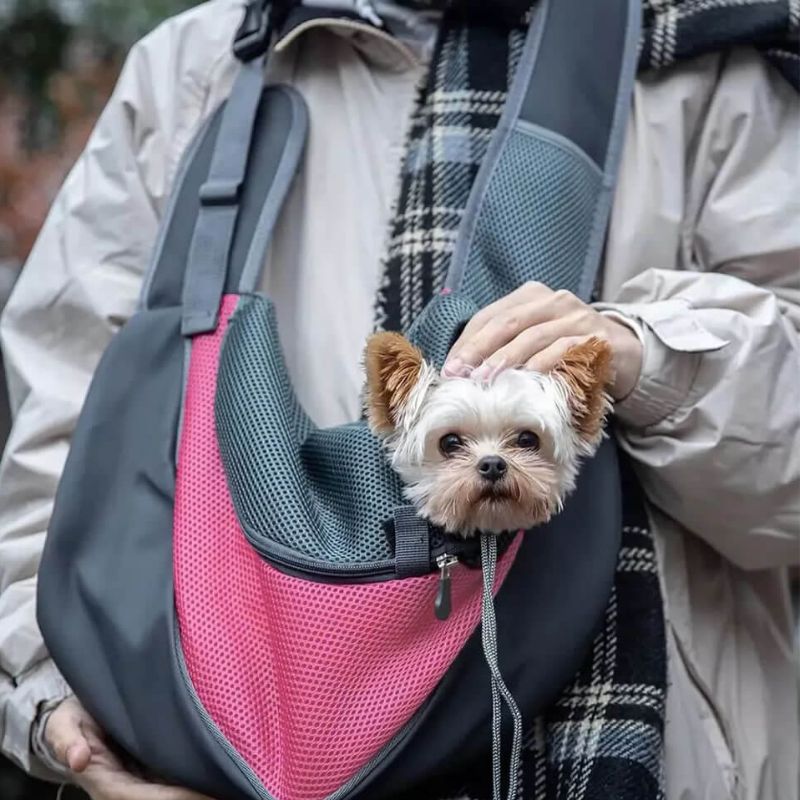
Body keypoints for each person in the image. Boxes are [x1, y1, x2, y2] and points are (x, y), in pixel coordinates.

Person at [0, 1, 798, 799]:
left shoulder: (706, 55)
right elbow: (63, 444)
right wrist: (56, 695)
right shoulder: (195, 67)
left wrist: (647, 356)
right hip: (228, 741)